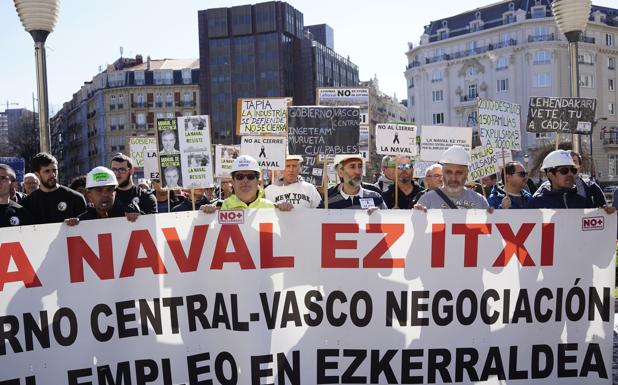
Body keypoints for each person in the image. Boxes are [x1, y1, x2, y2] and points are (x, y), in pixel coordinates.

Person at [527, 150, 614, 212]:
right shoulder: (536, 203)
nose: (570, 174)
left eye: (573, 170)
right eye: (564, 171)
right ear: (550, 174)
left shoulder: (582, 201)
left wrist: (605, 214)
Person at [200, 155, 292, 212]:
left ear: (258, 181)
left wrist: (286, 213)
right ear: (233, 182)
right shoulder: (221, 207)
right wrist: (204, 216)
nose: (245, 180)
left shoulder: (270, 207)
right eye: (239, 177)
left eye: (250, 176)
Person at [415, 146, 490, 210]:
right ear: (443, 173)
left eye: (459, 173)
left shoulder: (480, 201)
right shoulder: (426, 200)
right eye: (448, 172)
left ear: (466, 174)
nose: (453, 178)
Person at [21, 152, 87, 224]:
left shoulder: (76, 198)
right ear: (37, 175)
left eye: (54, 170)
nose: (53, 174)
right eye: (47, 171)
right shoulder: (27, 203)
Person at [64, 167, 142, 225]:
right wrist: (69, 229)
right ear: (89, 196)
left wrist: (139, 219)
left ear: (114, 194)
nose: (105, 194)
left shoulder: (128, 215)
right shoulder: (81, 222)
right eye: (99, 190)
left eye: (109, 189)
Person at [318, 154, 386, 211]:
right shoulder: (328, 203)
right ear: (340, 173)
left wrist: (379, 216)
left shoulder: (376, 198)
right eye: (352, 167)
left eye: (360, 166)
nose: (358, 172)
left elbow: (389, 223)